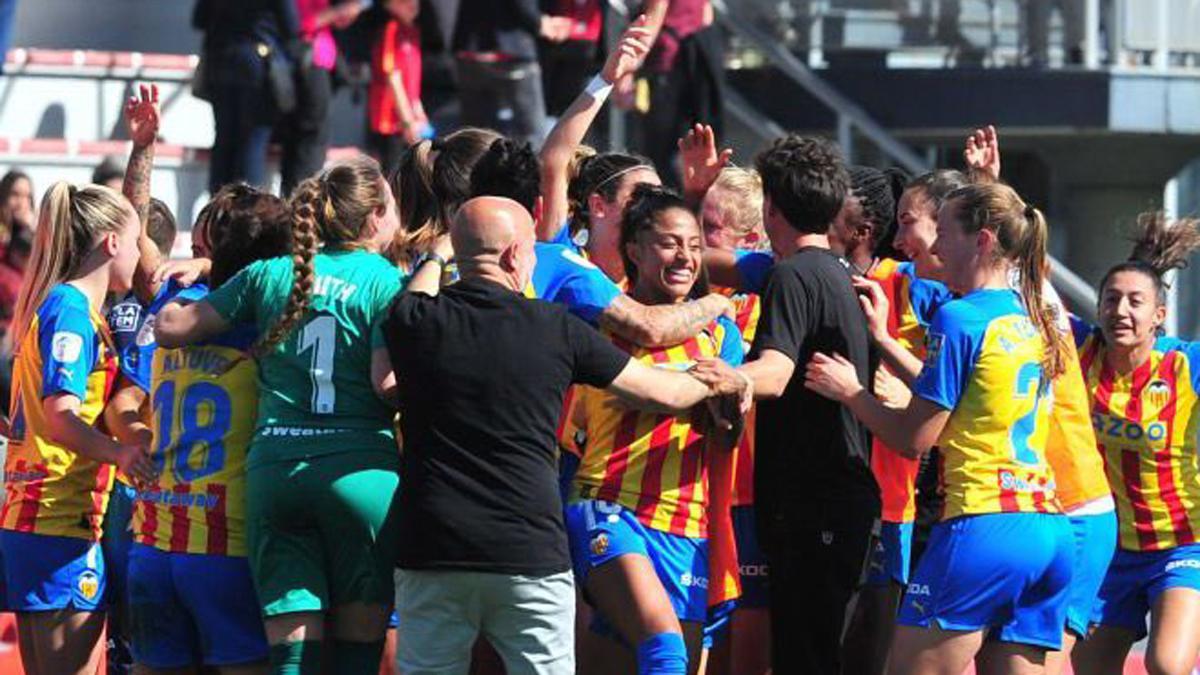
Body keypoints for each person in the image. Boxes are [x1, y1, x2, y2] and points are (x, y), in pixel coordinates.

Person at [383, 195, 748, 675]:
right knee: (656, 653)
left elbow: (403, 327)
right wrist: (727, 378)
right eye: (534, 249)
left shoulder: (412, 321)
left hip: (433, 546)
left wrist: (439, 253)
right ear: (515, 256)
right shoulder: (556, 327)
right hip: (536, 543)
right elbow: (663, 391)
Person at [803, 181, 1074, 675]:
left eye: (944, 231)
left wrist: (850, 392)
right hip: (1048, 527)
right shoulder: (1033, 316)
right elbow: (967, 399)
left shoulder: (959, 316)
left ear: (983, 240)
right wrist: (884, 339)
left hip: (984, 522)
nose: (933, 244)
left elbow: (914, 439)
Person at [155, 156, 405, 674]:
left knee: (292, 658)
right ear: (376, 215)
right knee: (358, 657)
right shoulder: (387, 279)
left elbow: (172, 327)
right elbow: (389, 385)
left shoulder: (269, 275)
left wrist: (205, 270)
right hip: (360, 475)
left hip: (275, 474)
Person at [708, 134, 878, 674]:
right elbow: (718, 264)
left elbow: (776, 375)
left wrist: (715, 378)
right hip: (840, 498)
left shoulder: (791, 275)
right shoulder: (836, 271)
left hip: (814, 502)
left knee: (805, 658)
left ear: (771, 210)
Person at [117, 187, 292, 673]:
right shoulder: (264, 319)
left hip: (153, 544)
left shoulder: (177, 302)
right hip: (224, 546)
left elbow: (137, 229)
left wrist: (145, 147)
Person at [0, 182, 154, 674]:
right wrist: (121, 454)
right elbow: (62, 416)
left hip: (29, 517)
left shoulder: (52, 304)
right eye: (136, 242)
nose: (141, 256)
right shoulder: (70, 310)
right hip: (59, 518)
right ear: (111, 243)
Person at [1069, 213, 1200, 675]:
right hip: (1109, 548)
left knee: (1167, 665)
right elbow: (1025, 289)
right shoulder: (1080, 351)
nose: (1120, 311)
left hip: (1182, 544)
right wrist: (990, 186)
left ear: (1158, 315)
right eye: (1111, 299)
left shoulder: (1186, 365)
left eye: (1134, 302)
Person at [194, 0, 300, 193]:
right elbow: (291, 25)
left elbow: (199, 20)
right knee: (254, 142)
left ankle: (217, 209)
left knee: (224, 141)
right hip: (257, 63)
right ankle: (249, 212)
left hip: (221, 60)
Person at [617, 0, 723, 187]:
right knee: (696, 146)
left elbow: (652, 18)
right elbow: (706, 14)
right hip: (697, 62)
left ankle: (664, 206)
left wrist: (627, 71)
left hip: (667, 65)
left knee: (658, 154)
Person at [451, 0, 572, 146]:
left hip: (469, 49)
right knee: (530, 136)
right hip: (511, 49)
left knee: (474, 137)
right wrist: (539, 23)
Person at [279, 0, 364, 196]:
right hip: (309, 63)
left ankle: (296, 199)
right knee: (310, 140)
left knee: (307, 140)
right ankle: (301, 201)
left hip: (316, 60)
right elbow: (300, 22)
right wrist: (338, 11)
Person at [367, 0, 430, 178]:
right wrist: (407, 121)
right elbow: (392, 77)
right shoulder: (391, 30)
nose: (412, 3)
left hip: (407, 117)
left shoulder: (412, 30)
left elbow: (412, 79)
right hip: (390, 119)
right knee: (392, 173)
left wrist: (418, 111)